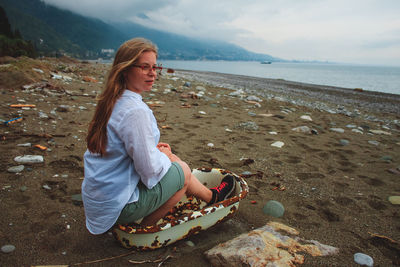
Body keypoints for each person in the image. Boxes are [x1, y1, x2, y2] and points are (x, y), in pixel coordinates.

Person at [82, 37, 235, 235]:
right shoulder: (135, 111)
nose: (152, 73)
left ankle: (212, 196)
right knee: (183, 170)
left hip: (100, 200)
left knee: (173, 160)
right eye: (144, 67)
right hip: (117, 206)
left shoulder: (113, 100)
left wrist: (160, 153)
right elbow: (150, 171)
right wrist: (164, 156)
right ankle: (143, 229)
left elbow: (123, 150)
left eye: (155, 67)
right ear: (125, 69)